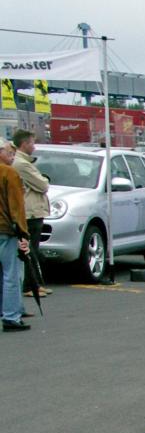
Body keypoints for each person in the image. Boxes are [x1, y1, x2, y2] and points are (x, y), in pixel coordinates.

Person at [11, 129, 50, 298]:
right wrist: (45, 180)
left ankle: (35, 283)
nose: (34, 147)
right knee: (29, 250)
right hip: (30, 212)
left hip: (33, 211)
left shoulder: (24, 162)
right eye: (32, 143)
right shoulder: (22, 164)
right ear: (24, 143)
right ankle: (29, 286)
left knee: (33, 249)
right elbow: (42, 185)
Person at [0, 140, 32, 332]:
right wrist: (23, 232)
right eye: (9, 153)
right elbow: (16, 206)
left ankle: (8, 309)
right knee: (12, 274)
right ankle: (11, 316)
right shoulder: (9, 173)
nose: (13, 156)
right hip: (6, 230)